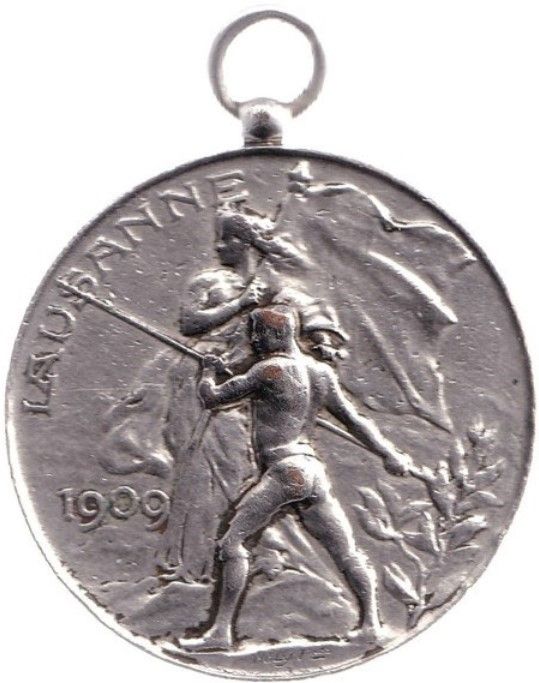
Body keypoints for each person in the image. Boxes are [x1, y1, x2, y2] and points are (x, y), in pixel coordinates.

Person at [180, 305, 412, 651]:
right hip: (311, 471)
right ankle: (371, 626)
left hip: (285, 470)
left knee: (232, 544)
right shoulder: (321, 373)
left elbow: (212, 399)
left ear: (275, 334)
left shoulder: (268, 369)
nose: (254, 341)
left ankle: (221, 632)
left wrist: (208, 372)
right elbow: (355, 420)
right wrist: (389, 453)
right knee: (346, 552)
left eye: (257, 334)